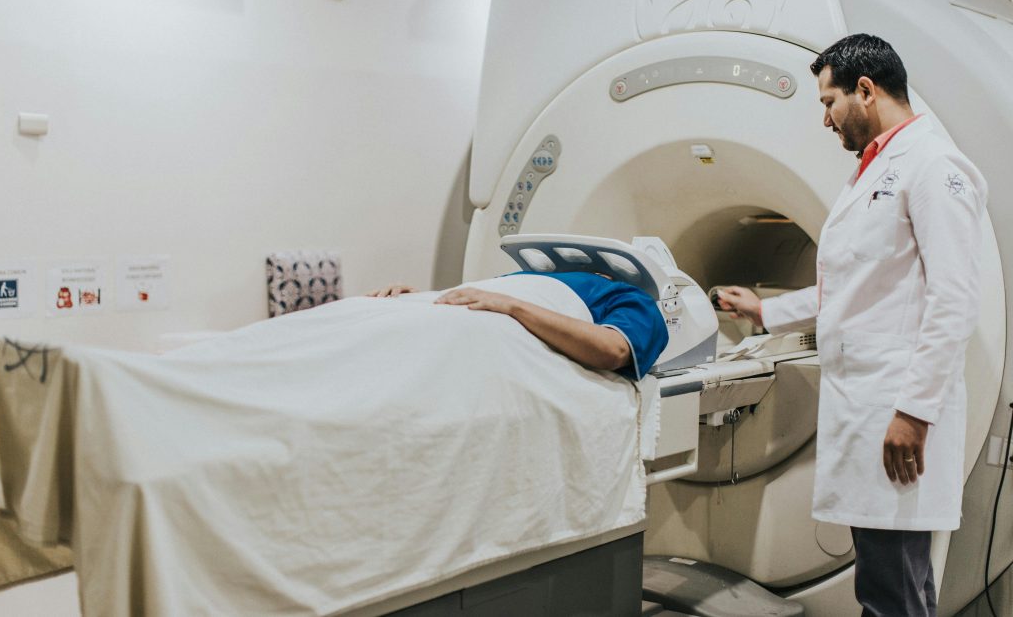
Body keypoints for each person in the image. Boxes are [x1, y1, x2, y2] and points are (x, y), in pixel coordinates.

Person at [717, 34, 987, 617]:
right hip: (868, 409)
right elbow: (854, 286)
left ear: (866, 90)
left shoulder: (933, 167)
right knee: (891, 586)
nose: (825, 118)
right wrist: (766, 311)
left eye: (829, 101)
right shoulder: (876, 168)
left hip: (896, 413)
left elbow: (955, 299)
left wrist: (915, 412)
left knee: (892, 591)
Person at [367, 270, 670, 382]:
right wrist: (419, 298)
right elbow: (470, 304)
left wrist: (514, 306)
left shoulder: (629, 296)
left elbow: (613, 350)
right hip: (420, 312)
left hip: (472, 328)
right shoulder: (516, 278)